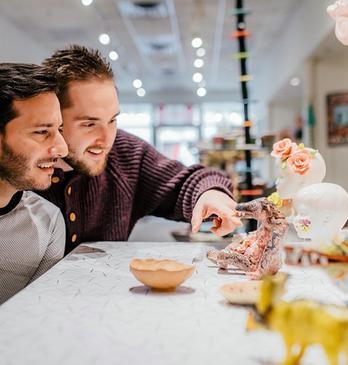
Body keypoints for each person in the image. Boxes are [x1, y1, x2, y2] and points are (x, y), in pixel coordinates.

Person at [40, 45, 241, 254]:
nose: (107, 139)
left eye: (112, 120)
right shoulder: (23, 166)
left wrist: (210, 194)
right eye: (89, 124)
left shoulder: (126, 154)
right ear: (54, 118)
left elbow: (186, 181)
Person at [0, 63, 68, 304]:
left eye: (59, 130)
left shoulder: (48, 223)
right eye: (41, 132)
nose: (62, 148)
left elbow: (34, 317)